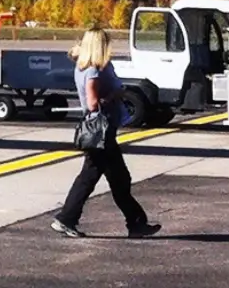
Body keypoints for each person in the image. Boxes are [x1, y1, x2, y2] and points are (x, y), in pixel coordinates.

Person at [53, 27, 161, 239]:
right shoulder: (93, 70)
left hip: (104, 131)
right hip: (100, 131)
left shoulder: (88, 67)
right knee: (91, 177)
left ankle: (136, 222)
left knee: (118, 178)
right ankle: (66, 218)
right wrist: (115, 94)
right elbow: (93, 103)